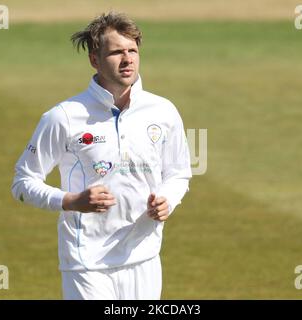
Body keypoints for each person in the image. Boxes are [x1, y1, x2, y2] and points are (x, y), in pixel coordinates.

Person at [11, 11, 192, 300]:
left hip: (144, 256)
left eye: (132, 50)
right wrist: (71, 201)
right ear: (94, 59)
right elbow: (22, 183)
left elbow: (179, 172)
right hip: (86, 261)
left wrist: (167, 200)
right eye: (116, 52)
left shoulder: (163, 111)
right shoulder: (63, 117)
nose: (127, 59)